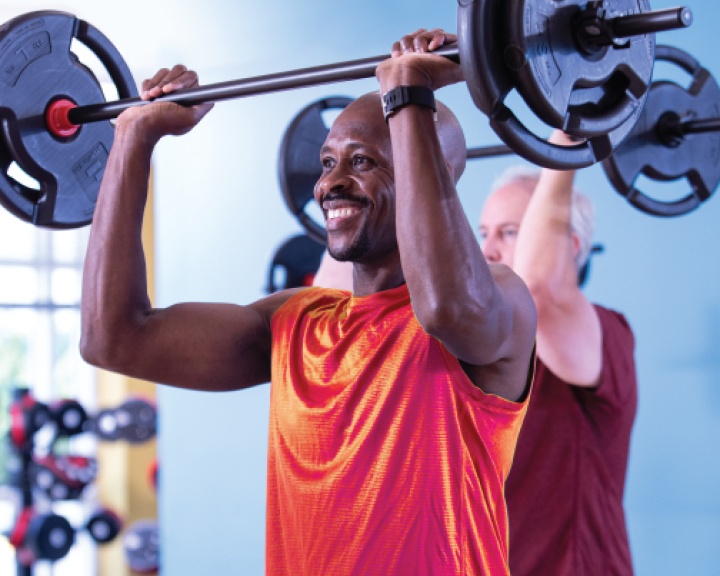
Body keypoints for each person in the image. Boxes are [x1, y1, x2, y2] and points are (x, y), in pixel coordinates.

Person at [80, 29, 537, 575]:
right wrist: (133, 138)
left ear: (424, 168)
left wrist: (408, 95)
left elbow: (444, 307)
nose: (330, 185)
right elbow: (113, 338)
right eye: (327, 163)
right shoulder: (295, 324)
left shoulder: (497, 300)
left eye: (363, 161)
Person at [480, 132, 638, 576]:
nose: (487, 250)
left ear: (569, 247)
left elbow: (539, 292)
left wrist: (567, 133)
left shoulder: (608, 335)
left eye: (510, 233)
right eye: (483, 233)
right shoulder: (473, 349)